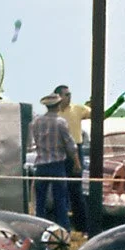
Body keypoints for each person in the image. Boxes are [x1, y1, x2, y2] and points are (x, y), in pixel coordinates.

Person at [31, 92, 78, 229]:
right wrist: (76, 162)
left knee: (40, 200)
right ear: (58, 106)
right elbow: (70, 144)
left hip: (41, 163)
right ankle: (63, 229)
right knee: (60, 199)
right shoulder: (61, 122)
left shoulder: (37, 122)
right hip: (57, 164)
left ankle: (39, 228)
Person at [54, 84, 90, 229]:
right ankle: (62, 225)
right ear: (58, 97)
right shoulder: (53, 113)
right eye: (66, 95)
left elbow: (100, 115)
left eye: (70, 94)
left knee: (76, 190)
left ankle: (81, 226)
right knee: (60, 189)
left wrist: (116, 106)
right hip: (59, 151)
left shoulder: (78, 109)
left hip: (75, 150)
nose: (69, 97)